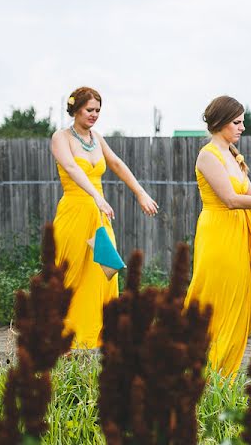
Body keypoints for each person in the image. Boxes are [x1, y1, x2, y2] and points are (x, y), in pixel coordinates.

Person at [184, 95, 251, 376]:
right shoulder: (208, 155)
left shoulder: (231, 153)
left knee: (240, 302)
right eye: (237, 122)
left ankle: (223, 374)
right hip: (218, 233)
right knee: (219, 298)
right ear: (220, 122)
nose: (243, 127)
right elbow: (231, 199)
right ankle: (205, 367)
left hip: (239, 234)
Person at [50, 86, 158, 349]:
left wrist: (141, 193)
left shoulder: (97, 138)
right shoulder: (60, 137)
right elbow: (73, 167)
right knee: (72, 274)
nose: (94, 115)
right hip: (75, 211)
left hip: (99, 216)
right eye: (89, 110)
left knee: (105, 270)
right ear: (75, 109)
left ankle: (96, 336)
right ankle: (65, 337)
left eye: (98, 110)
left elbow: (118, 164)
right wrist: (96, 197)